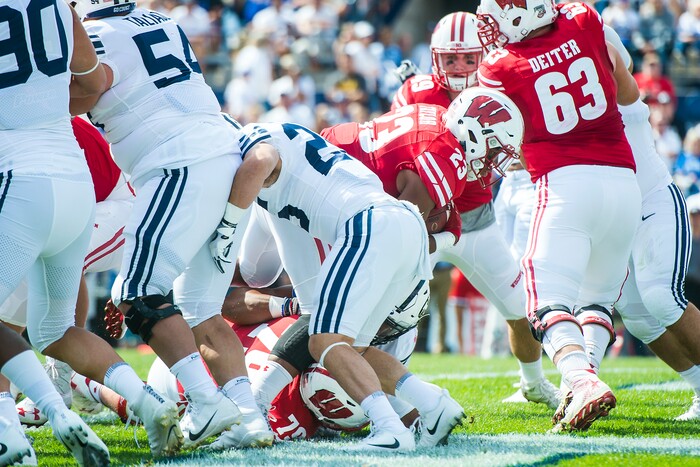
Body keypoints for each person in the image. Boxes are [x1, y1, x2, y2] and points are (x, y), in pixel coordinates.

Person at [72, 0, 273, 449]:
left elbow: (85, 89)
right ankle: (249, 419)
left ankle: (205, 401)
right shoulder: (161, 19)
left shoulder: (95, 35)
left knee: (136, 293)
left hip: (177, 162)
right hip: (220, 151)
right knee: (201, 308)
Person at [207, 116, 472, 451]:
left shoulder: (253, 148)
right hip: (403, 223)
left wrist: (226, 228)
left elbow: (259, 164)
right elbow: (306, 305)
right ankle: (433, 405)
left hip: (369, 225)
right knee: (350, 347)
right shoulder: (291, 160)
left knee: (325, 341)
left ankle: (390, 429)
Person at [0, 1, 180, 464]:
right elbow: (94, 82)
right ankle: (144, 400)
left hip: (19, 178)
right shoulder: (59, 6)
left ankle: (40, 420)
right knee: (53, 330)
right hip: (74, 180)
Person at [477, 0, 642, 432]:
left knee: (543, 296)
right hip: (624, 181)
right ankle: (581, 384)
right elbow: (626, 91)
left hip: (564, 182)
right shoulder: (584, 17)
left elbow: (496, 139)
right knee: (596, 299)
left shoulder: (501, 66)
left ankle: (579, 380)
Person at [392, 11, 561, 410]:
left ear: (485, 55)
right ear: (435, 58)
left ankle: (533, 383)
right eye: (451, 59)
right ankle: (390, 390)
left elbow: (528, 141)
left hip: (477, 221)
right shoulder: (415, 92)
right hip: (425, 222)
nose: (461, 68)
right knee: (395, 309)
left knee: (518, 308)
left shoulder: (502, 85)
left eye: (470, 58)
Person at [0, 116, 135, 427]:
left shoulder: (36, 122)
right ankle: (64, 383)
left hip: (118, 206)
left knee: (50, 269)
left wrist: (128, 289)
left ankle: (54, 385)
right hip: (80, 208)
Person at [605, 30, 700, 422]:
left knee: (662, 297)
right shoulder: (562, 112)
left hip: (654, 203)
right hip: (617, 218)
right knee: (639, 317)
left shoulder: (623, 98)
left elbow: (614, 58)